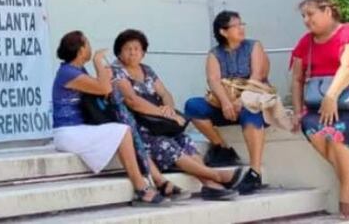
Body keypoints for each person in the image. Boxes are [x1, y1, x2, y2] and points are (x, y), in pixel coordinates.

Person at [112, 29, 244, 201]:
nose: (132, 52)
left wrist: (168, 109)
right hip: (139, 128)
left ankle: (210, 184)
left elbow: (165, 93)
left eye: (137, 48)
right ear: (119, 52)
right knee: (166, 144)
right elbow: (132, 101)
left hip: (158, 123)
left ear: (143, 52)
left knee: (185, 140)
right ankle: (216, 178)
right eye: (127, 48)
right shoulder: (116, 71)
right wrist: (163, 113)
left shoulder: (147, 70)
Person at [290, 0, 349, 220]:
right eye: (303, 16)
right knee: (311, 127)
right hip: (318, 105)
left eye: (310, 14)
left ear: (327, 12)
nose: (306, 20)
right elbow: (297, 79)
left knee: (338, 133)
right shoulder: (305, 42)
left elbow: (348, 67)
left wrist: (331, 96)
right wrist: (298, 110)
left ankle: (346, 194)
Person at [51, 31, 165, 207]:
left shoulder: (78, 70)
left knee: (124, 128)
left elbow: (103, 90)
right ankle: (140, 187)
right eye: (87, 44)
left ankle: (152, 179)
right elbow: (103, 88)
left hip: (79, 129)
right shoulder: (68, 73)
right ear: (81, 50)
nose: (90, 47)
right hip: (68, 132)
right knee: (123, 130)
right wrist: (98, 62)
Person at [183, 11, 269, 193]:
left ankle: (255, 172)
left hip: (251, 100)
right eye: (236, 26)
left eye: (241, 24)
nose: (241, 28)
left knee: (250, 110)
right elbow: (213, 79)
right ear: (223, 31)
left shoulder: (254, 46)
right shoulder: (215, 54)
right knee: (193, 106)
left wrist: (241, 100)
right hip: (226, 105)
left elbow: (257, 76)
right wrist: (226, 102)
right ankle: (222, 147)